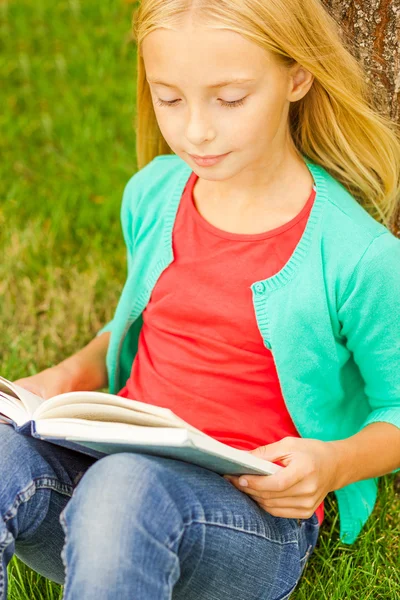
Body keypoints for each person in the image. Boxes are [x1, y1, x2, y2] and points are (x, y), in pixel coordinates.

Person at [1, 0, 400, 598]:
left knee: (123, 487)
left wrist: (331, 466)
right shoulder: (155, 194)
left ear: (297, 76)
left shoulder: (356, 255)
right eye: (169, 98)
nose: (196, 130)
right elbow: (155, 321)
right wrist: (68, 374)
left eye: (230, 99)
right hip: (107, 488)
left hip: (250, 518)